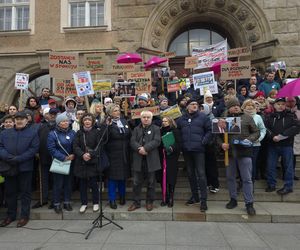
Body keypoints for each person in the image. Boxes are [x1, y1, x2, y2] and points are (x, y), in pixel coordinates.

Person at [218, 98, 259, 216]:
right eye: (233, 105)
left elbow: (256, 132)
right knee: (230, 178)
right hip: (230, 153)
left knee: (247, 178)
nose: (236, 106)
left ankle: (249, 203)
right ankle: (233, 199)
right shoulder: (223, 119)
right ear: (228, 108)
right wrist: (221, 144)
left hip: (244, 152)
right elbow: (217, 136)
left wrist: (249, 139)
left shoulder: (247, 118)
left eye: (237, 105)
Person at [0, 111, 39, 227]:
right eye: (17, 119)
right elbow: (0, 147)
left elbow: (33, 149)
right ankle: (10, 216)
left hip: (25, 167)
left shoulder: (32, 133)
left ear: (26, 120)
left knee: (25, 193)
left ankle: (24, 216)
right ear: (14, 120)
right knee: (10, 193)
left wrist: (20, 158)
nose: (19, 120)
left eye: (22, 118)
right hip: (9, 166)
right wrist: (8, 157)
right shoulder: (5, 133)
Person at [176, 99, 212, 212]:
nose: (195, 106)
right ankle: (195, 196)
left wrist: (204, 141)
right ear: (187, 107)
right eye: (192, 104)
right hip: (187, 150)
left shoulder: (203, 117)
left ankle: (203, 200)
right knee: (191, 174)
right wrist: (181, 144)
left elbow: (210, 130)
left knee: (201, 174)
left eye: (196, 104)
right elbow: (177, 132)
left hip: (199, 150)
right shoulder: (181, 119)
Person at [264, 98, 300, 195]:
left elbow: (296, 127)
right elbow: (265, 128)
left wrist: (281, 136)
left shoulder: (291, 115)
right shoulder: (269, 116)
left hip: (286, 145)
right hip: (272, 145)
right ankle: (271, 184)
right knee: (270, 166)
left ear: (285, 105)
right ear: (274, 105)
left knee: (288, 167)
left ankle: (288, 186)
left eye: (283, 104)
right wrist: (273, 137)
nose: (280, 106)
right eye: (278, 104)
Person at [128, 110, 161, 212]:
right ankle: (136, 202)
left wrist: (145, 148)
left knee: (151, 182)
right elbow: (132, 141)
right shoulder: (136, 129)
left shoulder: (156, 129)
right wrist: (140, 149)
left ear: (151, 119)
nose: (146, 119)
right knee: (136, 182)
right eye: (144, 117)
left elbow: (157, 141)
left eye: (148, 117)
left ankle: (149, 202)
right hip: (138, 159)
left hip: (151, 159)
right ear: (141, 118)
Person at [73, 113, 106, 213]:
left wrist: (90, 155)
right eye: (85, 120)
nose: (87, 121)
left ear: (92, 122)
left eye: (89, 120)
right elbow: (75, 146)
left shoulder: (96, 132)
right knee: (82, 185)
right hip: (81, 162)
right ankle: (84, 203)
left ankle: (95, 203)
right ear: (82, 121)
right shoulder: (79, 132)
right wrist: (82, 154)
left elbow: (99, 146)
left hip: (93, 162)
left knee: (94, 184)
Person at [47, 113, 76, 213]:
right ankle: (56, 203)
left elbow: (76, 146)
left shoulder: (72, 133)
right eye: (63, 121)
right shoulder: (52, 134)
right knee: (58, 184)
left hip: (70, 162)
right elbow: (51, 149)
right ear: (58, 123)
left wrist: (73, 155)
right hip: (59, 162)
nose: (65, 123)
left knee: (68, 183)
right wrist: (64, 157)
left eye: (67, 121)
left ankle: (67, 202)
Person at [32, 108, 59, 209]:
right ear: (46, 115)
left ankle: (54, 200)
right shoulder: (41, 126)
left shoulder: (60, 126)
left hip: (56, 157)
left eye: (55, 114)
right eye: (50, 114)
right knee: (44, 179)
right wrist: (36, 152)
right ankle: (43, 199)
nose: (52, 115)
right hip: (43, 156)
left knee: (55, 180)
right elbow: (36, 140)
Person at [105, 104, 131, 209]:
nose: (118, 112)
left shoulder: (124, 121)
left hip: (124, 154)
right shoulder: (107, 123)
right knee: (112, 179)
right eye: (115, 111)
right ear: (110, 113)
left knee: (123, 178)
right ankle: (112, 199)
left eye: (118, 110)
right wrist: (107, 126)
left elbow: (129, 134)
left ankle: (122, 196)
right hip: (113, 154)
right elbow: (104, 138)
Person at [157, 116, 181, 207]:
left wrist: (172, 148)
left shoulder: (175, 131)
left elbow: (179, 143)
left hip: (171, 158)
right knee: (162, 177)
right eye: (163, 121)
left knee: (171, 177)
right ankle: (165, 197)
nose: (164, 123)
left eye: (166, 121)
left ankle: (171, 197)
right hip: (161, 156)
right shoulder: (159, 131)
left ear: (170, 122)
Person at [241, 100, 266, 181]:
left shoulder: (258, 117)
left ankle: (251, 183)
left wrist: (259, 138)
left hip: (255, 145)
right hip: (242, 145)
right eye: (248, 104)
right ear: (244, 106)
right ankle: (243, 182)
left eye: (252, 105)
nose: (250, 106)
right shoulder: (240, 117)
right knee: (243, 164)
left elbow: (263, 129)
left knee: (252, 164)